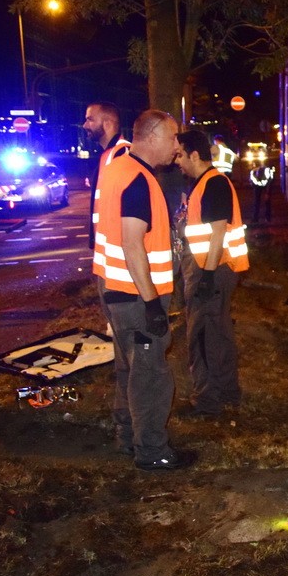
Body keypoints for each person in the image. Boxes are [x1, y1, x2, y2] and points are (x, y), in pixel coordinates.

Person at [93, 109, 195, 471]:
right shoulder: (137, 179)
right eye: (172, 138)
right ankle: (152, 451)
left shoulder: (117, 168)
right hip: (135, 295)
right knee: (151, 373)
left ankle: (127, 438)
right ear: (152, 137)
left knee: (128, 368)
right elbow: (132, 243)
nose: (176, 146)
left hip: (113, 287)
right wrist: (153, 303)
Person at [175, 129, 249, 417]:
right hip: (214, 269)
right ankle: (227, 392)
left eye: (180, 155)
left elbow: (217, 233)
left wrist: (205, 276)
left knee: (203, 336)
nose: (177, 161)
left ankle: (207, 400)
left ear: (194, 155)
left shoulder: (213, 183)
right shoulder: (206, 183)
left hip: (212, 270)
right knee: (218, 333)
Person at [83, 101, 131, 250]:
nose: (85, 125)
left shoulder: (123, 155)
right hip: (110, 249)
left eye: (90, 119)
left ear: (108, 123)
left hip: (118, 250)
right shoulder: (109, 155)